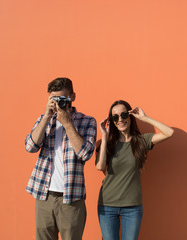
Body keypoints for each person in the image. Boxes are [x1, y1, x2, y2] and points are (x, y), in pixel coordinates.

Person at [24, 77, 97, 240]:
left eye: (62, 98)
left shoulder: (87, 121)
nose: (58, 102)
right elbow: (30, 146)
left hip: (71, 198)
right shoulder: (44, 119)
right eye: (53, 99)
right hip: (44, 195)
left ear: (73, 97)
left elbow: (86, 153)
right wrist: (45, 117)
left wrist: (67, 123)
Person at [95, 100, 174, 240]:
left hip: (132, 207)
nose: (120, 119)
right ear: (112, 121)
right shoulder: (106, 143)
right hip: (107, 205)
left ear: (130, 116)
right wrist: (104, 137)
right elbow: (100, 167)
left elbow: (169, 133)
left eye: (124, 114)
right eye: (115, 117)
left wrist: (145, 118)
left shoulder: (141, 141)